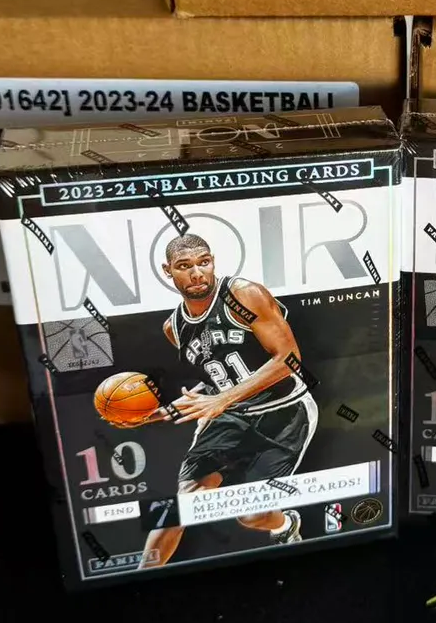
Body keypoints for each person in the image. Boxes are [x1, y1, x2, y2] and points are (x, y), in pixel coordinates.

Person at [135, 233, 317, 568]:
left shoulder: (243, 294)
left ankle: (285, 524)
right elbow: (215, 379)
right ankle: (141, 579)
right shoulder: (174, 327)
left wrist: (223, 399)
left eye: (204, 262)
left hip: (283, 411)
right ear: (167, 271)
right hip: (230, 414)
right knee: (181, 505)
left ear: (213, 262)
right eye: (184, 266)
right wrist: (163, 411)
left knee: (251, 515)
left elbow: (289, 359)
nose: (197, 273)